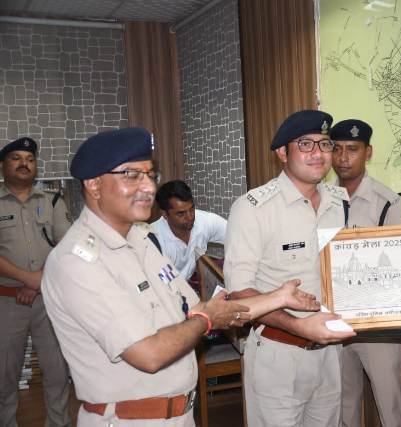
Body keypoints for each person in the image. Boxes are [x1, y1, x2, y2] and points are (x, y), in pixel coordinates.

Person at [41, 127, 322, 426]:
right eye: (131, 175)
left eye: (150, 175)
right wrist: (206, 320)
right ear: (94, 185)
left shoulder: (141, 241)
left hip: (180, 415)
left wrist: (280, 297)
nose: (148, 187)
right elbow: (149, 354)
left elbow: (199, 309)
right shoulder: (78, 262)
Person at [224, 110, 357, 427]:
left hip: (330, 353)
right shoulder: (253, 209)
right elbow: (239, 295)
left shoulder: (339, 203)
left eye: (324, 144)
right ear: (282, 153)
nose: (318, 153)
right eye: (305, 144)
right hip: (278, 354)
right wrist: (298, 327)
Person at [331, 119, 401, 427]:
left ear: (368, 152)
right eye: (337, 149)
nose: (343, 158)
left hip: (379, 327)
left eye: (352, 149)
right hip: (334, 325)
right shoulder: (320, 200)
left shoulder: (387, 203)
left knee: (392, 409)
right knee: (342, 410)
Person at [0, 137, 72, 427]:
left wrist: (37, 281)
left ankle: (59, 423)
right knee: (4, 374)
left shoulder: (52, 200)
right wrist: (27, 279)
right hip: (6, 302)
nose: (24, 164)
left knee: (57, 370)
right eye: (16, 158)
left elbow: (66, 246)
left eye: (30, 159)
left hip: (48, 300)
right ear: (3, 165)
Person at [152, 180, 227, 279]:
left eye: (192, 209)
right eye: (181, 213)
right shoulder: (154, 241)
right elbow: (164, 283)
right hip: (166, 285)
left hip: (189, 282)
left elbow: (238, 236)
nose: (190, 217)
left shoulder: (204, 221)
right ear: (164, 214)